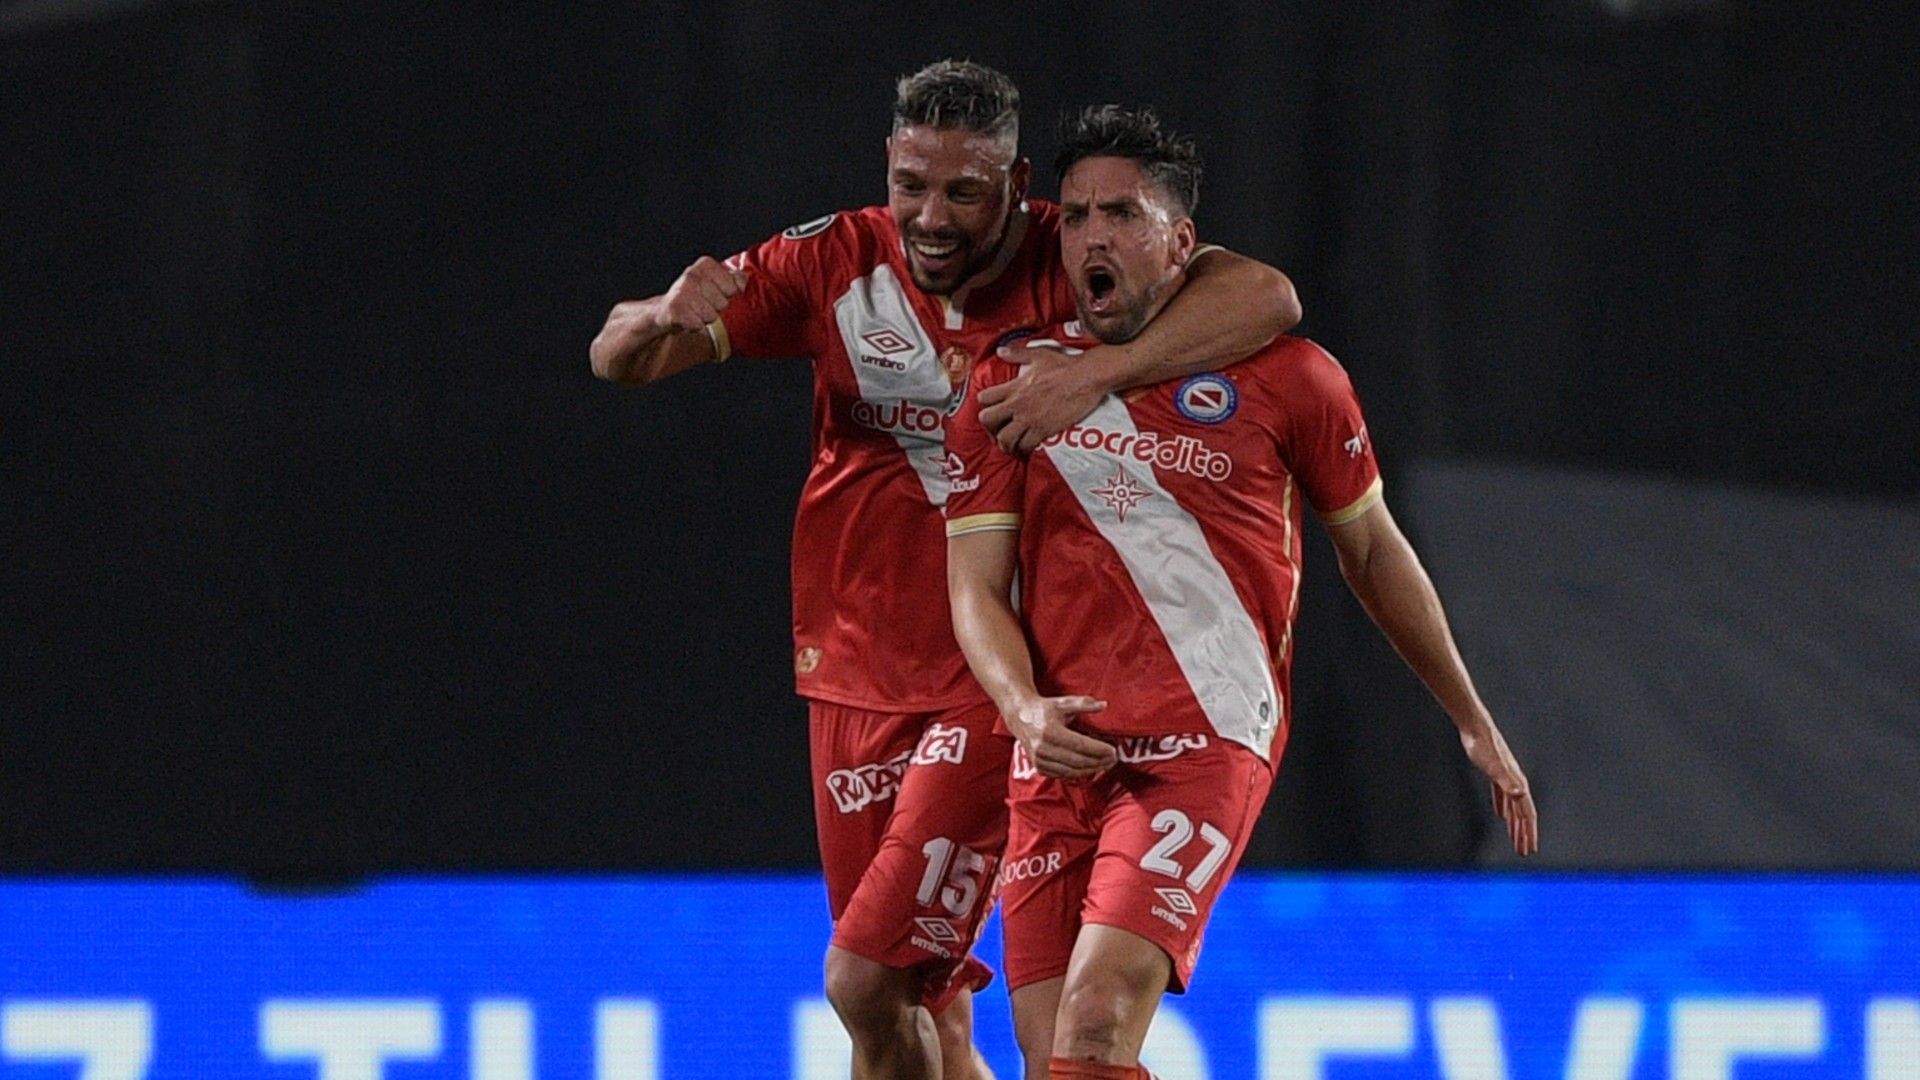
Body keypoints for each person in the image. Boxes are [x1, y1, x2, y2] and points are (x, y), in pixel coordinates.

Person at [590, 63, 1301, 1079]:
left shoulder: (1072, 258)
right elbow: (618, 359)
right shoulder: (835, 261)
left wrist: (1096, 373)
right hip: (850, 670)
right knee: (917, 1012)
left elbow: (1266, 296)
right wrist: (661, 313)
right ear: (888, 166)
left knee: (863, 977)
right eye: (910, 183)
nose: (930, 215)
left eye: (962, 191)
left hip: (996, 674)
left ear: (1013, 188)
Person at [944, 105, 1538, 1080]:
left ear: (1183, 243)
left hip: (1201, 738)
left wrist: (1469, 717)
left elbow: (1375, 553)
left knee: (1097, 1018)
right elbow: (974, 587)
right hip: (1055, 750)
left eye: (1122, 214)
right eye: (1080, 215)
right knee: (1055, 1056)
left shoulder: (1289, 379)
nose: (1093, 234)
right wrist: (1021, 706)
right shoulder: (1013, 381)